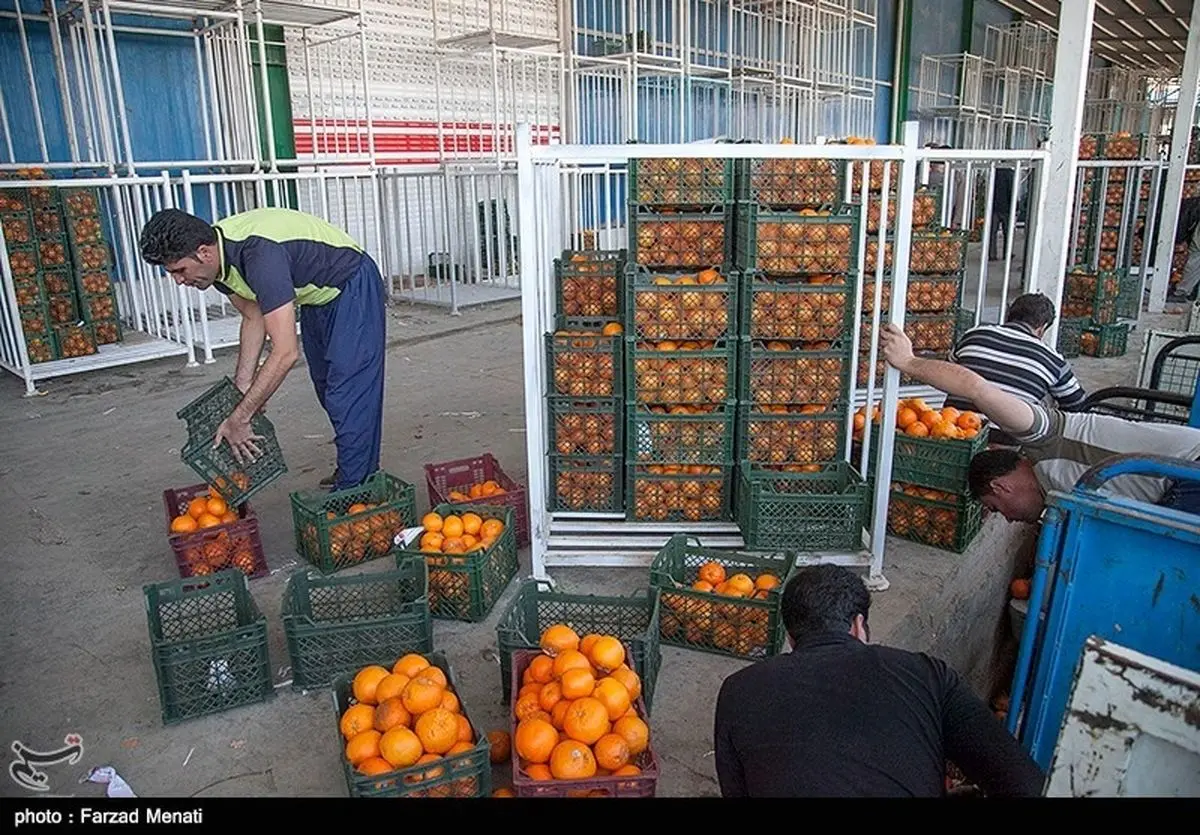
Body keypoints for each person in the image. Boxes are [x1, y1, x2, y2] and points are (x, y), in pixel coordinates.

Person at [713, 564, 1046, 798]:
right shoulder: (927, 676)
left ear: (789, 636)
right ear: (859, 626)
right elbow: (1024, 784)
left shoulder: (738, 691)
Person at [139, 207, 386, 492]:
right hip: (317, 299)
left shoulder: (260, 257)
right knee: (327, 388)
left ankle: (357, 491)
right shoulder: (218, 259)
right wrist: (244, 384)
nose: (179, 281)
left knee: (348, 393)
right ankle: (356, 467)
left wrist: (241, 417)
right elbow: (253, 314)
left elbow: (285, 353)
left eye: (180, 271)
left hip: (351, 285)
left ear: (203, 253)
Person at [880, 322, 1200, 523]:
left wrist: (909, 362)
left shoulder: (1043, 434)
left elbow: (977, 388)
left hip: (1189, 474)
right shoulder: (1053, 486)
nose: (1004, 518)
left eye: (995, 507)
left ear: (1001, 486)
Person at [946, 293, 1087, 441]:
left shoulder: (974, 334)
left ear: (1008, 315)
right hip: (1007, 441)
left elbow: (949, 370)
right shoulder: (1052, 359)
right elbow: (1077, 404)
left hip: (953, 428)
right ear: (1042, 328)